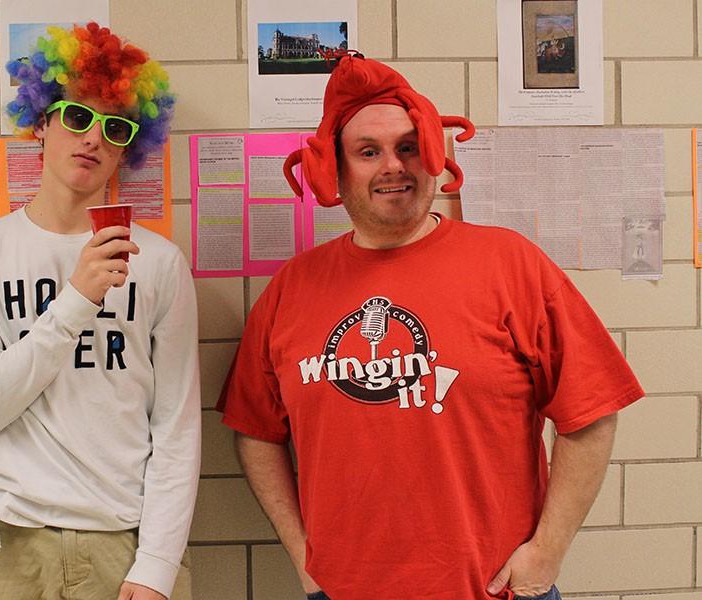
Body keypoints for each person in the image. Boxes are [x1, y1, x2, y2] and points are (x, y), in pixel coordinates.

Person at [217, 52, 644, 600]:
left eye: (408, 147)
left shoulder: (510, 263)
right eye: (368, 152)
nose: (393, 166)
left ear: (433, 155)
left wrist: (547, 553)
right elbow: (255, 431)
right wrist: (303, 554)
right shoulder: (292, 288)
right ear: (336, 170)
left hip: (493, 591)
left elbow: (591, 410)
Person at [0, 23, 200, 600]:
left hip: (125, 539)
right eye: (77, 118)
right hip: (12, 540)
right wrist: (77, 302)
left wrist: (157, 562)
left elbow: (177, 424)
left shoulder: (158, 263)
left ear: (129, 146)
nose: (93, 139)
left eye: (115, 127)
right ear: (41, 123)